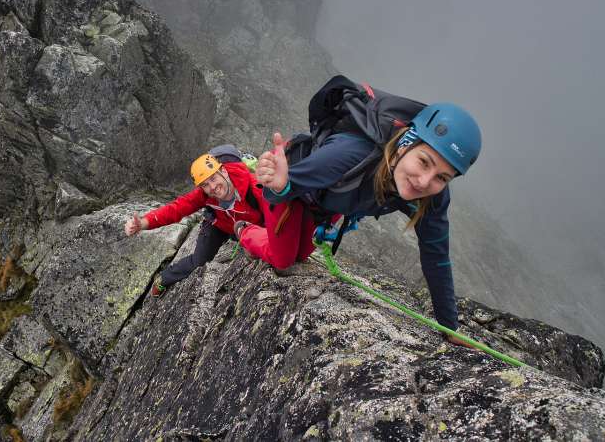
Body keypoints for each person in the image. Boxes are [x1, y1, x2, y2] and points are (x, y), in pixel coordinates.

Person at [237, 103, 481, 347]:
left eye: (442, 177)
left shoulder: (431, 196)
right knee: (283, 261)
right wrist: (281, 185)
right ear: (406, 143)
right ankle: (245, 230)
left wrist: (449, 328)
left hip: (327, 204)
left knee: (300, 254)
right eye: (424, 162)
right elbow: (277, 191)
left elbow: (436, 256)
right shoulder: (350, 154)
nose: (424, 181)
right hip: (292, 188)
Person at [124, 149, 265, 297]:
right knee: (199, 261)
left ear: (223, 171)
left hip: (248, 226)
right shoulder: (204, 195)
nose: (212, 187)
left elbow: (275, 216)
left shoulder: (254, 188)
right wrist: (143, 223)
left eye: (213, 178)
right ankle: (164, 278)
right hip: (219, 225)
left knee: (256, 251)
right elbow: (176, 209)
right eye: (205, 184)